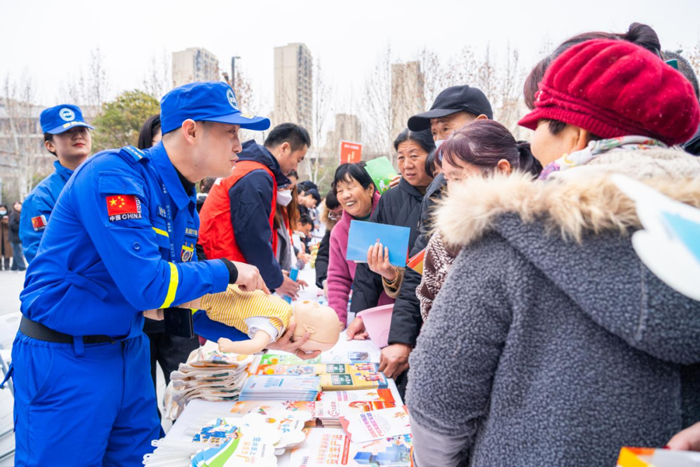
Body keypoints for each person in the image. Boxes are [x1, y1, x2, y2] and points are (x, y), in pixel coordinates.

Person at [408, 39, 700, 467]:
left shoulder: (511, 231)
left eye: (541, 125)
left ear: (576, 134)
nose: (532, 141)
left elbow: (438, 395)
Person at [6, 81, 316, 466]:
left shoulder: (181, 201)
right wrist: (227, 269)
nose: (239, 145)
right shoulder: (114, 175)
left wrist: (264, 333)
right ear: (191, 131)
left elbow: (181, 300)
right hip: (68, 359)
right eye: (230, 132)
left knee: (142, 460)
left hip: (129, 352)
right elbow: (149, 286)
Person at [348, 85, 493, 392]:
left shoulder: (519, 187)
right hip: (437, 339)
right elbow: (419, 270)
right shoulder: (433, 192)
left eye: (446, 129)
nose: (441, 140)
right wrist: (401, 338)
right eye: (436, 133)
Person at [417, 121, 540, 321]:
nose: (451, 190)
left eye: (458, 177)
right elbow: (428, 304)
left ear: (502, 170)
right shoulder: (443, 242)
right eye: (447, 179)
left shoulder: (542, 230)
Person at [198, 123, 310, 300]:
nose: (295, 167)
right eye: (298, 159)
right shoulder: (257, 175)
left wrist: (273, 272)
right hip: (224, 271)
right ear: (285, 148)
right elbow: (253, 237)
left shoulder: (247, 168)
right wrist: (277, 280)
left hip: (222, 264)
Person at [136, 114, 200, 407]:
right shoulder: (137, 191)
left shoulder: (188, 198)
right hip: (141, 319)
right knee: (144, 400)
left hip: (178, 314)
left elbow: (190, 254)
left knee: (191, 393)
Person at [350, 128, 435, 316]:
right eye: (401, 157)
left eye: (414, 156)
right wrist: (361, 313)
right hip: (404, 308)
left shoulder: (450, 195)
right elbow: (367, 264)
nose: (407, 165)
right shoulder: (390, 199)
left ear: (433, 155)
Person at [19, 104, 94, 264]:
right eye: (67, 132)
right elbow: (41, 258)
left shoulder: (109, 180)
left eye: (82, 130)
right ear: (50, 145)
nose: (78, 136)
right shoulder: (40, 197)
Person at [327, 163, 393, 327]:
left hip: (397, 313)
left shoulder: (393, 216)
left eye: (350, 187)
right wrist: (337, 319)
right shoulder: (339, 232)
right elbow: (338, 278)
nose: (345, 195)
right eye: (340, 191)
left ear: (370, 189)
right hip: (363, 316)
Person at [315, 189, 341, 289]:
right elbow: (323, 256)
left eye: (341, 213)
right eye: (334, 214)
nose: (338, 218)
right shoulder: (332, 229)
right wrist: (324, 280)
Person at [9, 201, 26, 271]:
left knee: (16, 252)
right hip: (15, 237)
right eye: (15, 204)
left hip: (17, 236)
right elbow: (12, 224)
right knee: (18, 252)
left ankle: (14, 267)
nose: (17, 206)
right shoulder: (14, 214)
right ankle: (22, 267)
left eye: (19, 204)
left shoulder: (20, 213)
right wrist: (21, 227)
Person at [0, 204, 11, 270]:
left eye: (3, 209)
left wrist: (5, 220)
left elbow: (10, 224)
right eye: (1, 209)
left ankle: (7, 265)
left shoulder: (9, 216)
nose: (2, 211)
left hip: (6, 237)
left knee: (7, 252)